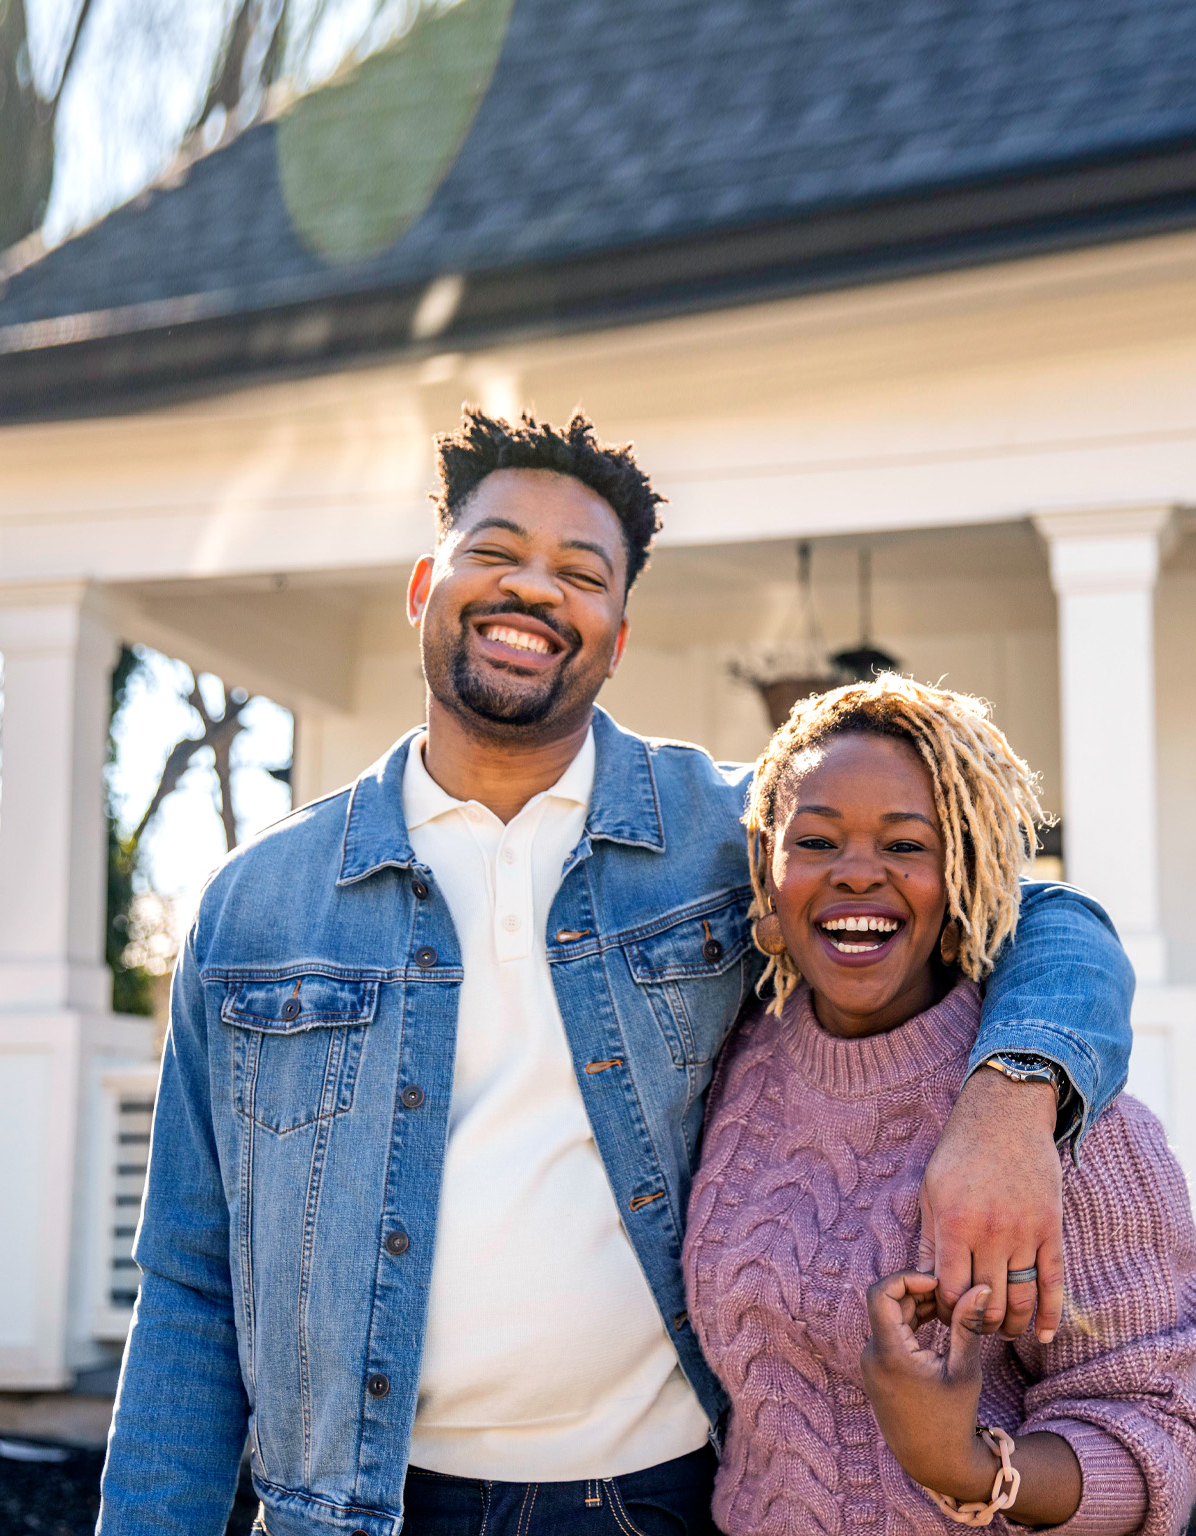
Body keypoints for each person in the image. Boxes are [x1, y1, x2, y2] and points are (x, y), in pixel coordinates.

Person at [97, 409, 1135, 1536]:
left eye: (579, 573)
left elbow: (1041, 913)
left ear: (618, 634)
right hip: (351, 1511)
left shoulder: (725, 833)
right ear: (422, 588)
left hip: (654, 1500)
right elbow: (193, 1287)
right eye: (494, 553)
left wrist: (1013, 1100)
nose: (532, 591)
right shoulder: (259, 905)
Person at [684, 675, 1196, 1536]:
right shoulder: (732, 1057)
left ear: (963, 872)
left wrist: (963, 1465)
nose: (859, 872)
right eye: (817, 840)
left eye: (907, 846)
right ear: (768, 869)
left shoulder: (1060, 1117)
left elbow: (1159, 1428)